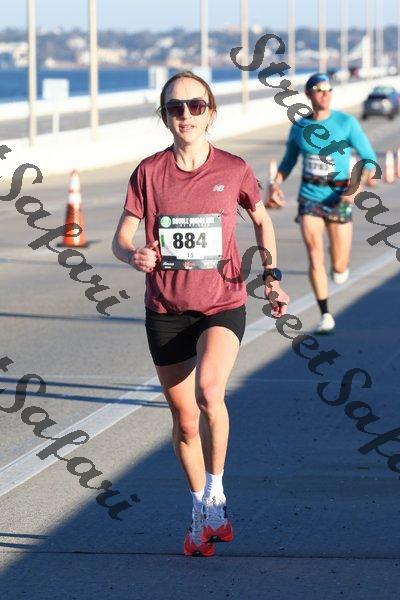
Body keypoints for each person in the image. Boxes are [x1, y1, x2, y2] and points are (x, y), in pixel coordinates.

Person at [112, 71, 289, 557]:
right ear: (165, 116)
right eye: (175, 108)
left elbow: (262, 219)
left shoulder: (234, 169)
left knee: (210, 392)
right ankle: (199, 511)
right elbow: (121, 238)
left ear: (211, 112)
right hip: (166, 309)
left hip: (222, 304)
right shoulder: (149, 172)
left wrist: (271, 277)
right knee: (185, 420)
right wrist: (133, 256)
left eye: (195, 105)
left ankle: (216, 493)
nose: (185, 115)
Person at [266, 72, 376, 334]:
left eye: (328, 89)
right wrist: (275, 182)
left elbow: (369, 160)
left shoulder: (346, 123)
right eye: (319, 89)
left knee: (339, 266)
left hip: (339, 197)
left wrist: (357, 184)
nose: (325, 94)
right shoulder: (299, 127)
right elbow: (289, 161)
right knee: (314, 253)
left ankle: (339, 264)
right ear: (308, 94)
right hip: (310, 198)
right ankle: (325, 314)